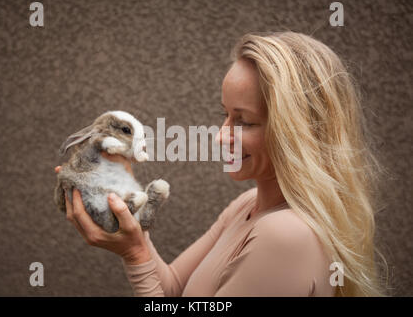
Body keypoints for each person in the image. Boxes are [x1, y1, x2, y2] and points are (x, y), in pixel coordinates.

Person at [55, 31, 387, 297]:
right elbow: (172, 290)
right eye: (225, 115)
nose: (220, 137)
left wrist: (137, 252)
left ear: (298, 133)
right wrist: (134, 247)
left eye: (244, 122)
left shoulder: (285, 235)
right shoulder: (248, 206)